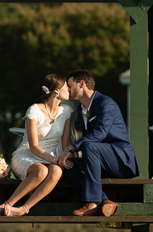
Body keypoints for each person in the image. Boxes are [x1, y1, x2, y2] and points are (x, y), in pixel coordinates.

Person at [57, 70, 138, 216]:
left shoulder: (106, 103)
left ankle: (92, 202)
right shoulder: (82, 109)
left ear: (82, 84)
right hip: (98, 161)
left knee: (90, 146)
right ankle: (104, 200)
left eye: (70, 85)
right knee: (66, 165)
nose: (68, 90)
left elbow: (100, 133)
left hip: (120, 161)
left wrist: (72, 148)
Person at [0, 74, 74, 217]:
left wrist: (67, 154)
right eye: (66, 86)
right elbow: (34, 147)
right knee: (41, 171)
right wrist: (54, 160)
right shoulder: (34, 110)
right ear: (56, 90)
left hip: (49, 159)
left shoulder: (66, 111)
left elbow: (66, 143)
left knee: (57, 171)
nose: (69, 89)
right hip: (26, 156)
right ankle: (7, 204)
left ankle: (22, 209)